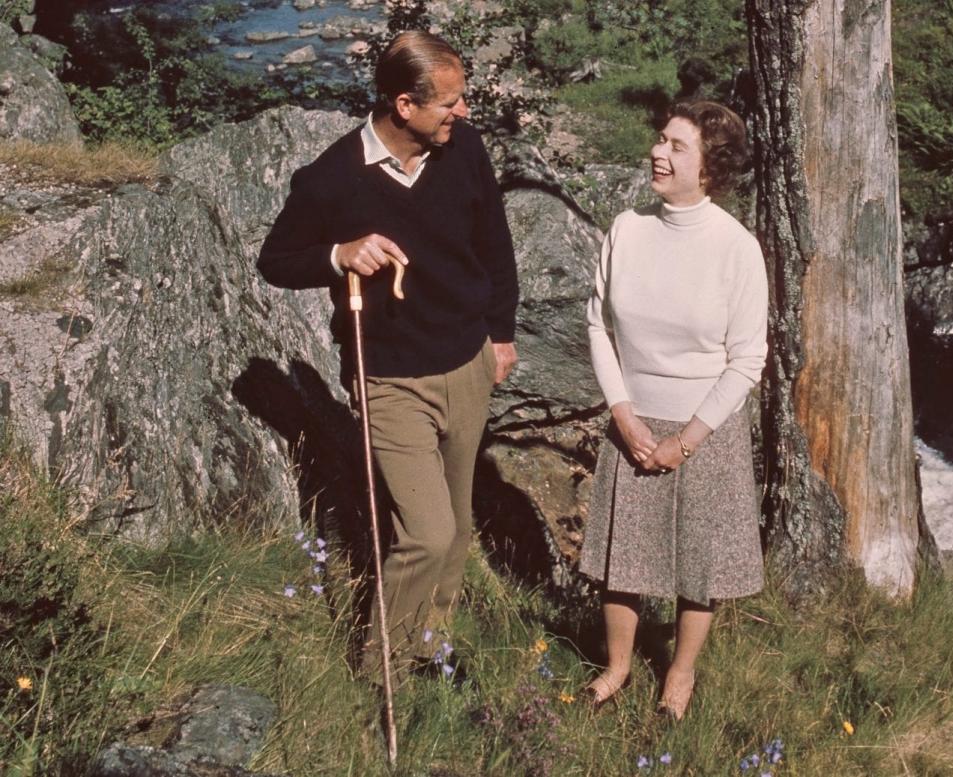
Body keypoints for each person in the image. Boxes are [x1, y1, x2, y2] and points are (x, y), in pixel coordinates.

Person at [257, 31, 519, 681]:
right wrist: (338, 255)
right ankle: (384, 669)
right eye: (450, 103)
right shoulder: (332, 178)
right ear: (405, 105)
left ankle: (431, 644)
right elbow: (275, 260)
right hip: (389, 376)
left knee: (456, 529)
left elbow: (496, 245)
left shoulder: (465, 151)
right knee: (425, 533)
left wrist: (502, 334)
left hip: (467, 362)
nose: (462, 112)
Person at [579, 100, 768, 719]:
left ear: (710, 170)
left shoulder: (737, 249)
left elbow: (746, 360)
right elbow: (598, 325)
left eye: (677, 146)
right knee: (622, 562)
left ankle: (680, 676)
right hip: (632, 420)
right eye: (660, 139)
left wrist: (685, 439)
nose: (658, 153)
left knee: (699, 565)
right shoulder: (626, 230)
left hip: (704, 430)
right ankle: (617, 668)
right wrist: (624, 414)